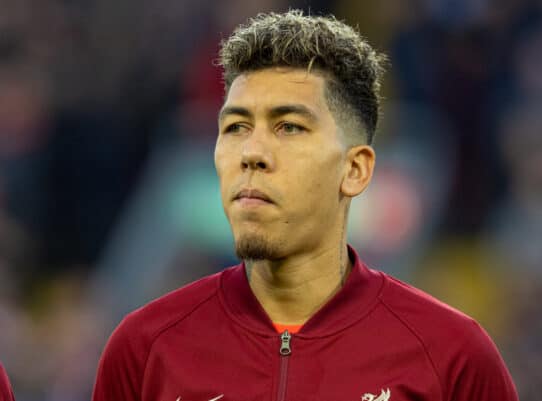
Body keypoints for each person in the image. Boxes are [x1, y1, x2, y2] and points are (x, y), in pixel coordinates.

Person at [93, 10, 519, 401]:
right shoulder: (144, 349)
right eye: (236, 126)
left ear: (355, 170)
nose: (252, 153)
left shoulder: (453, 356)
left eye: (289, 127)